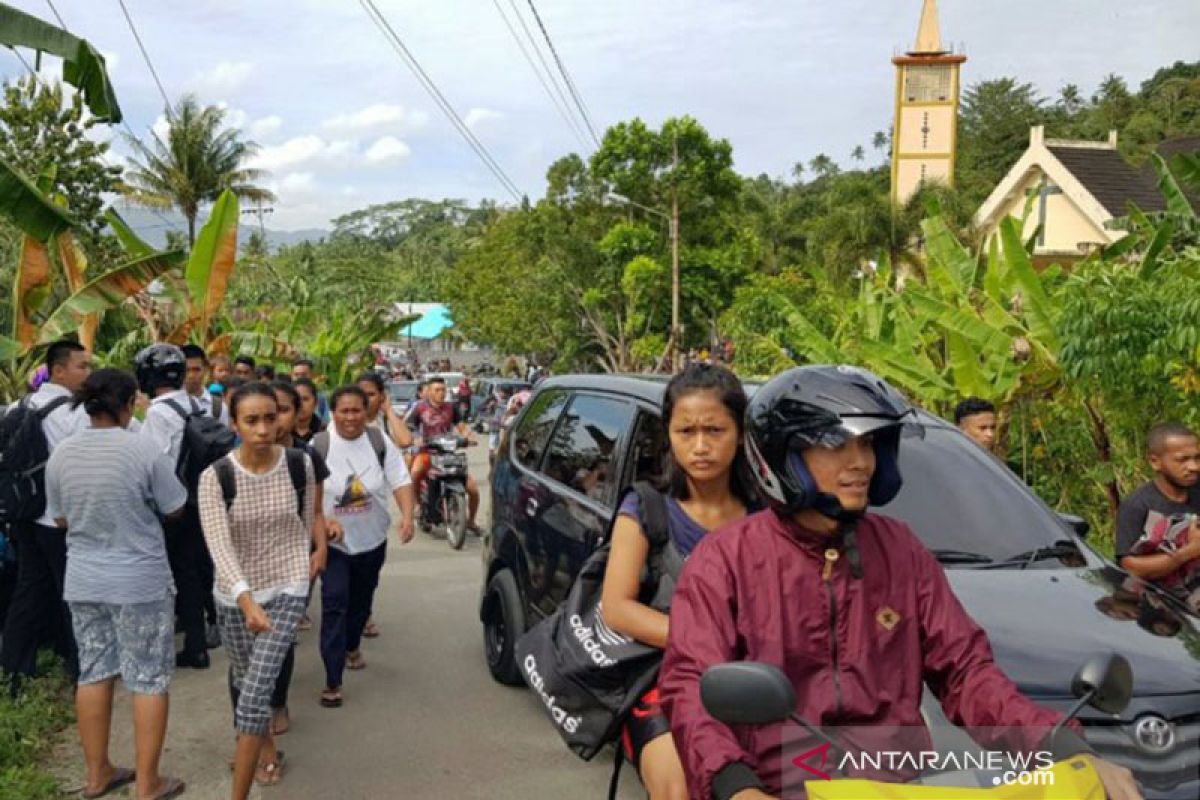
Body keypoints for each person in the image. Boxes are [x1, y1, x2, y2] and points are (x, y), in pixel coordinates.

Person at [658, 365, 1140, 800]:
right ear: (784, 458)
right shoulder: (727, 559)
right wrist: (735, 785)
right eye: (836, 445)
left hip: (893, 782)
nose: (860, 463)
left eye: (868, 445)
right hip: (775, 783)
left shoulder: (899, 550)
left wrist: (1062, 745)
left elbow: (966, 671)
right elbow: (692, 685)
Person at [599, 364, 755, 800]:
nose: (700, 446)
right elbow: (618, 607)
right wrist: (706, 642)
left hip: (756, 681)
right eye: (686, 431)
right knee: (680, 787)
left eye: (715, 430)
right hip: (662, 684)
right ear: (668, 433)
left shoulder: (767, 515)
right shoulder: (645, 508)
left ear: (740, 433)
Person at [47, 368, 187, 800]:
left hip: (84, 579)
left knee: (93, 673)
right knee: (147, 679)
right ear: (128, 405)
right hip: (138, 580)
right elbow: (175, 506)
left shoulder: (63, 454)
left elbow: (60, 518)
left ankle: (97, 774)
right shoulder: (142, 449)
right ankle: (147, 784)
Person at [197, 383, 323, 797]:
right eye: (251, 420)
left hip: (287, 587)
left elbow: (302, 526)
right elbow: (220, 547)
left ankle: (240, 788)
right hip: (234, 596)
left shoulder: (298, 465)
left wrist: (304, 570)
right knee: (243, 674)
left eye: (271, 417)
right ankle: (260, 743)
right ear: (234, 424)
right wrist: (246, 600)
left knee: (255, 695)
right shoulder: (215, 477)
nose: (264, 428)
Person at [316, 386, 415, 708]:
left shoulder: (377, 441)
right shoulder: (319, 446)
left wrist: (408, 517)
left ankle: (352, 645)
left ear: (366, 411)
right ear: (333, 412)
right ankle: (332, 680)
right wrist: (323, 525)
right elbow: (305, 494)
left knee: (360, 601)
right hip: (333, 545)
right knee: (334, 602)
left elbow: (400, 480)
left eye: (356, 410)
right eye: (343, 411)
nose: (350, 417)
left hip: (372, 540)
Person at [0, 340, 91, 688]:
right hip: (59, 518)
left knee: (30, 587)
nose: (88, 373)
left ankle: (14, 668)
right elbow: (82, 466)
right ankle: (81, 666)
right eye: (82, 366)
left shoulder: (20, 406)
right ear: (58, 370)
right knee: (73, 590)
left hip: (25, 512)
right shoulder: (74, 413)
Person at [137, 344, 214, 670]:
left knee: (179, 574)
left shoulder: (158, 413)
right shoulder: (194, 405)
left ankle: (193, 645)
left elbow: (155, 462)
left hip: (175, 505)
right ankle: (200, 636)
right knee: (194, 570)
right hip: (200, 498)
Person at [266, 381, 334, 735]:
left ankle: (277, 702)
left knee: (281, 635)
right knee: (250, 644)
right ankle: (250, 719)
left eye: (283, 410)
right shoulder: (232, 461)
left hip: (295, 560)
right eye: (267, 412)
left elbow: (316, 511)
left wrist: (320, 548)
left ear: (298, 414)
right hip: (250, 564)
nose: (273, 421)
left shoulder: (307, 458)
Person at [1116, 423, 1200, 591]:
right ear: (1155, 462)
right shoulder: (1137, 506)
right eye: (1182, 460)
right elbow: (1130, 567)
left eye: (1197, 458)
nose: (1194, 467)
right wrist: (1189, 552)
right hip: (1161, 607)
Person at [406, 376, 480, 534]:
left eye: (443, 390)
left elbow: (461, 426)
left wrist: (469, 436)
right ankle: (418, 505)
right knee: (415, 473)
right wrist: (416, 438)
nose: (441, 393)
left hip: (448, 454)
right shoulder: (420, 408)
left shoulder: (452, 407)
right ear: (429, 392)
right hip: (427, 452)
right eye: (437, 390)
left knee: (473, 489)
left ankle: (471, 521)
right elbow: (410, 426)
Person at [357, 372, 413, 451]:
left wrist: (389, 410)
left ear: (382, 396)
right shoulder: (349, 419)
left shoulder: (386, 420)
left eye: (371, 394)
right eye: (361, 394)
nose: (365, 399)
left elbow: (406, 442)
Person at [181, 344, 229, 424]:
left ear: (205, 369)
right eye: (187, 370)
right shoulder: (166, 405)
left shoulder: (218, 407)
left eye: (196, 370)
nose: (191, 375)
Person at [293, 378, 327, 444]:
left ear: (316, 403)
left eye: (305, 399)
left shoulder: (325, 432)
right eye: (297, 399)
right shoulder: (282, 432)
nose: (300, 404)